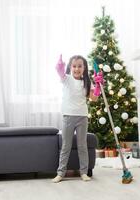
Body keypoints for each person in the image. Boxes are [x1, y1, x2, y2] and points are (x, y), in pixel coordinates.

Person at [52, 54, 103, 183]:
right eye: (74, 66)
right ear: (70, 67)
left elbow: (94, 98)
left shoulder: (87, 82)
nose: (77, 69)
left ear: (84, 68)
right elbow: (60, 74)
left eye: (80, 66)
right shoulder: (67, 79)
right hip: (68, 116)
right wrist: (59, 68)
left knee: (82, 146)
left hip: (82, 117)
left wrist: (98, 86)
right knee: (66, 146)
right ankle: (61, 173)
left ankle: (84, 172)